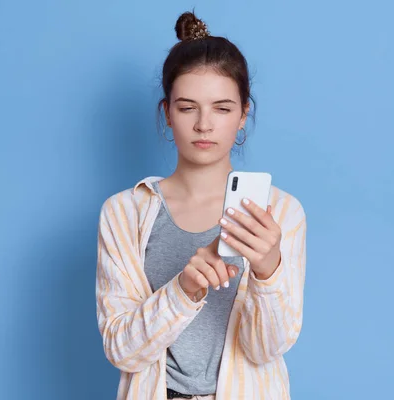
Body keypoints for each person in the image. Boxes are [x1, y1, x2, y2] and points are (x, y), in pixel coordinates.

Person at [96, 11, 307, 400]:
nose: (204, 124)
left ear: (244, 115)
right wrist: (185, 288)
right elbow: (122, 350)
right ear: (167, 114)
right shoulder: (124, 212)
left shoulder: (280, 213)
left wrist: (266, 270)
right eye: (187, 107)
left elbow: (266, 349)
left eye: (223, 108)